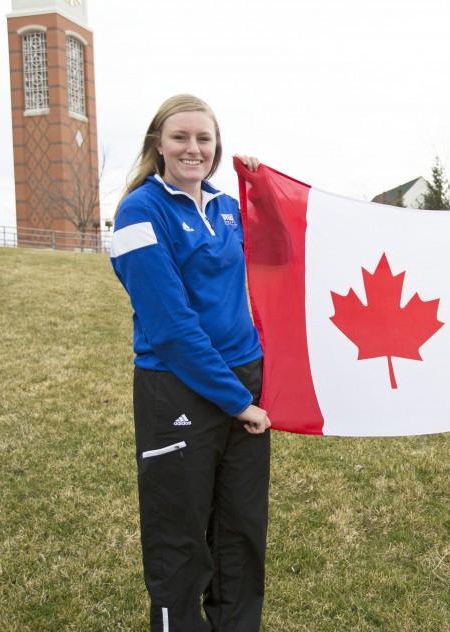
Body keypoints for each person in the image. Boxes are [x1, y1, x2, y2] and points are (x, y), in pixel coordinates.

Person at [110, 93, 271, 631]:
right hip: (178, 387)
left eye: (204, 138)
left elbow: (285, 254)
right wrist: (237, 402)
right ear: (158, 144)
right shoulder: (139, 210)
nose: (192, 148)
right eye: (180, 137)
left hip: (244, 377)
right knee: (179, 536)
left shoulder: (227, 206)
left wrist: (263, 191)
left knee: (240, 527)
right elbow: (172, 330)